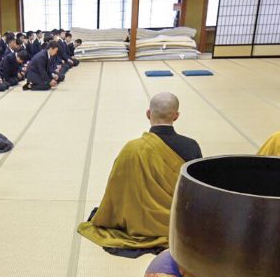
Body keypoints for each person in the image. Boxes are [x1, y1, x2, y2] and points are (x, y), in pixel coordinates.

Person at [77, 92, 203, 257]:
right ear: (176, 116)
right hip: (176, 224)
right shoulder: (191, 146)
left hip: (137, 222)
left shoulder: (132, 149)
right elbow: (197, 190)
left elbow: (116, 192)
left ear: (148, 114)